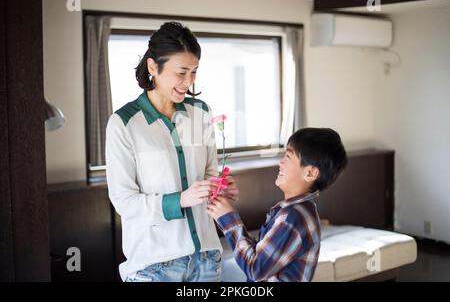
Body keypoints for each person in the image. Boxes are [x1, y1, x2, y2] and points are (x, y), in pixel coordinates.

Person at [106, 21, 238, 282]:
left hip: (206, 259)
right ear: (153, 67)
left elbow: (209, 170)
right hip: (153, 266)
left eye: (194, 72)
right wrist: (178, 200)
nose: (188, 82)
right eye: (181, 73)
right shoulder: (123, 123)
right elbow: (124, 200)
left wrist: (218, 186)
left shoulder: (200, 112)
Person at [207, 128, 347, 282]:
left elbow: (256, 268)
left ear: (310, 173)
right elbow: (261, 255)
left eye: (288, 156)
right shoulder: (295, 211)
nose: (281, 162)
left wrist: (229, 219)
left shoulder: (294, 218)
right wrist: (224, 214)